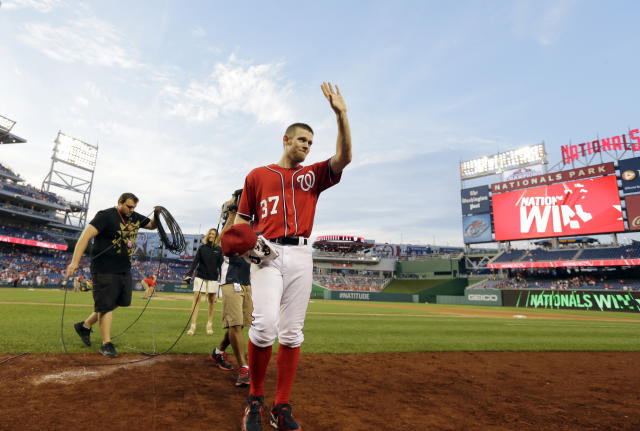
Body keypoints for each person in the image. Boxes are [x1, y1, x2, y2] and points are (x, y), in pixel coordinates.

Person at [224, 82, 351, 431]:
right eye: (302, 141)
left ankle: (281, 407)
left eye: (311, 143)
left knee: (293, 333)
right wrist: (247, 246)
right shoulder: (257, 175)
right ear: (286, 139)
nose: (307, 147)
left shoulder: (313, 176)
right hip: (266, 254)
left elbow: (344, 158)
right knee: (264, 327)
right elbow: (240, 223)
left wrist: (342, 115)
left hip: (301, 254)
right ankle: (254, 400)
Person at [65, 192, 157, 358]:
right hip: (103, 268)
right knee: (106, 305)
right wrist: (74, 262)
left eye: (134, 207)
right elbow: (85, 237)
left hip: (124, 268)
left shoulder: (134, 217)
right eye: (128, 206)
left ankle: (84, 326)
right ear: (119, 202)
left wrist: (157, 214)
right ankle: (106, 344)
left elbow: (152, 225)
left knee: (119, 302)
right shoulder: (105, 215)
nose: (131, 210)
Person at [210, 192, 253, 387]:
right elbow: (220, 242)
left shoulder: (251, 221)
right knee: (235, 326)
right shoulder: (233, 220)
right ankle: (244, 368)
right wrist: (230, 214)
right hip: (230, 279)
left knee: (240, 324)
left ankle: (218, 352)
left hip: (248, 280)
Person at [184, 228, 223, 335]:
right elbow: (195, 262)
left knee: (211, 300)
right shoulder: (202, 248)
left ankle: (209, 324)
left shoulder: (219, 250)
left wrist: (223, 279)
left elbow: (220, 266)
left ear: (216, 237)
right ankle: (193, 326)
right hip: (200, 276)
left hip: (213, 277)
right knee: (197, 297)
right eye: (210, 233)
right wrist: (189, 274)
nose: (211, 235)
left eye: (213, 234)